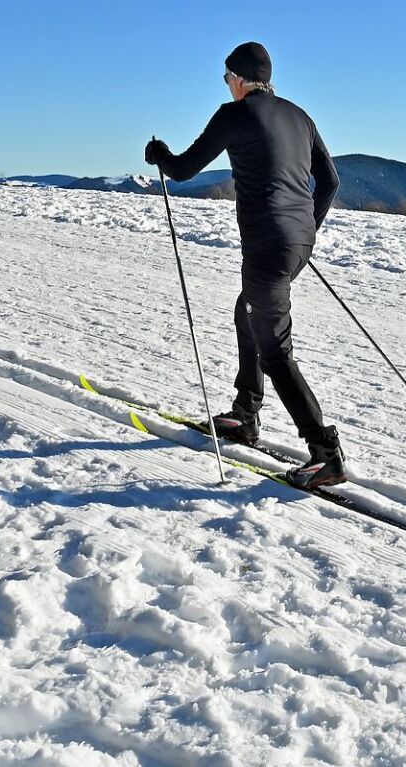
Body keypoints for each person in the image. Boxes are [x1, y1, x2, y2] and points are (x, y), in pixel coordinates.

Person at [145, 41, 346, 489]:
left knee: (274, 349)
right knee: (247, 313)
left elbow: (183, 169)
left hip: (267, 246)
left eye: (226, 78)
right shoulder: (300, 115)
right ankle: (245, 413)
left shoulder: (233, 114)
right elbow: (330, 180)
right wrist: (305, 227)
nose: (226, 85)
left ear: (238, 78)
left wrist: (158, 152)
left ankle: (325, 452)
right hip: (298, 242)